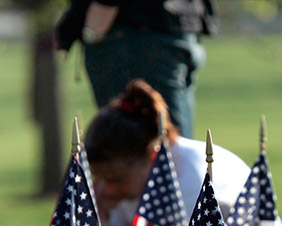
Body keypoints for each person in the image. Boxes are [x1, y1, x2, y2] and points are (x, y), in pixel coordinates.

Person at [84, 79, 250, 226]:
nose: (105, 190)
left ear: (153, 155)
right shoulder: (126, 184)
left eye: (116, 179)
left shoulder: (190, 182)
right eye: (98, 178)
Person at [58, 0, 215, 138]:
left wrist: (104, 5)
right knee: (174, 152)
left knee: (150, 154)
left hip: (134, 33)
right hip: (170, 24)